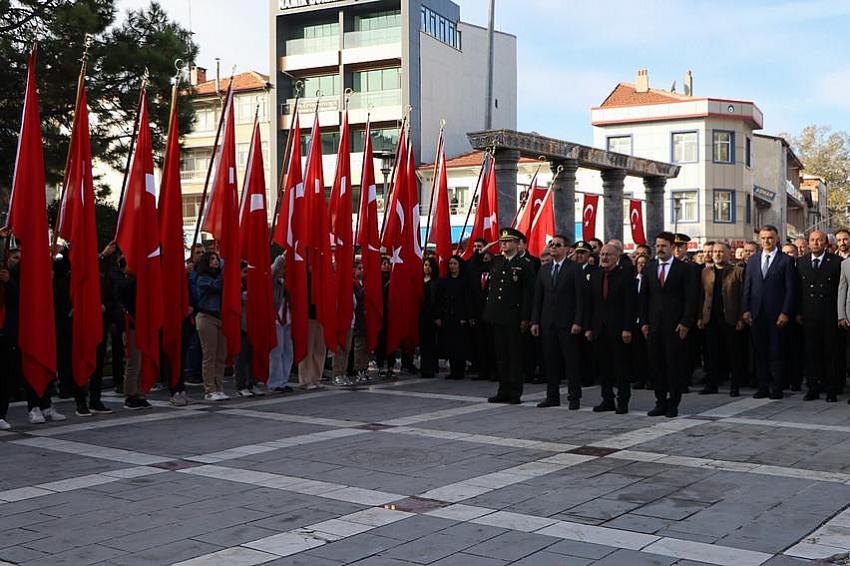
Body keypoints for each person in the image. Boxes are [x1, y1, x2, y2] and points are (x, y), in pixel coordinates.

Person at [640, 232, 698, 418]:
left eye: (663, 246)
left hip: (675, 326)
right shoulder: (650, 268)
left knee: (674, 366)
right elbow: (644, 297)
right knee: (656, 365)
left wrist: (686, 322)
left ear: (672, 247)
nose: (660, 249)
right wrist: (644, 322)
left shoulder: (684, 269)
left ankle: (673, 403)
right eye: (657, 246)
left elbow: (691, 298)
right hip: (654, 326)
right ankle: (660, 402)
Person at [531, 235, 585, 409]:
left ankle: (574, 397)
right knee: (550, 361)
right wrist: (535, 321)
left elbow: (580, 298)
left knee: (571, 362)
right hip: (548, 322)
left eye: (558, 245)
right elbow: (538, 298)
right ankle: (552, 396)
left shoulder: (574, 268)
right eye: (551, 244)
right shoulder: (544, 269)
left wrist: (578, 321)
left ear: (567, 249)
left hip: (568, 323)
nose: (553, 247)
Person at [743, 225, 796, 399]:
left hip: (777, 314)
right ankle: (763, 386)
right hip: (756, 313)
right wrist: (746, 309)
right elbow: (747, 286)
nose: (767, 241)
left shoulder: (786, 261)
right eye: (764, 238)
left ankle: (777, 387)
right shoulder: (753, 260)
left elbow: (790, 289)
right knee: (760, 352)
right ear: (760, 239)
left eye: (770, 238)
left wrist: (785, 312)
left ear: (777, 239)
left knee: (776, 351)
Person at [485, 228, 535, 404]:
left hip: (514, 316)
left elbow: (528, 294)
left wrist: (525, 317)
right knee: (501, 356)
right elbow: (475, 264)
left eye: (508, 242)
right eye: (502, 242)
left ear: (516, 244)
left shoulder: (524, 264)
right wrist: (487, 247)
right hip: (497, 315)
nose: (504, 245)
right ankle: (503, 390)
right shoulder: (497, 261)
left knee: (514, 356)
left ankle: (515, 392)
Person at [585, 244, 635, 413]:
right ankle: (607, 399)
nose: (604, 258)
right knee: (603, 367)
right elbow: (590, 304)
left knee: (621, 367)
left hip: (619, 328)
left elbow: (629, 305)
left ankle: (623, 401)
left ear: (616, 257)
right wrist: (589, 327)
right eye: (602, 254)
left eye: (608, 255)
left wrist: (627, 328)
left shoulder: (625, 275)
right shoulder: (596, 275)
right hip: (599, 328)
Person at [797, 230, 841, 401]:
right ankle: (813, 388)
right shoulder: (801, 262)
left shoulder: (836, 262)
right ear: (808, 242)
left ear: (826, 243)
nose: (815, 243)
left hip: (829, 315)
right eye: (812, 240)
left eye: (819, 240)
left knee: (830, 353)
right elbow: (798, 290)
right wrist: (798, 312)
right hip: (809, 315)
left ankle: (831, 390)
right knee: (811, 353)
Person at [697, 242, 746, 397]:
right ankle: (712, 384)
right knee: (711, 353)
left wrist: (741, 318)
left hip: (730, 318)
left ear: (728, 254)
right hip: (710, 319)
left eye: (721, 251)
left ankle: (735, 386)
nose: (717, 254)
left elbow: (743, 296)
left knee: (733, 354)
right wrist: (700, 317)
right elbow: (702, 296)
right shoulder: (705, 272)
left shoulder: (738, 272)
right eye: (715, 252)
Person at [115, 257, 152, 410]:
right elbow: (126, 290)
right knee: (134, 362)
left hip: (141, 326)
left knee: (142, 362)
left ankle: (140, 393)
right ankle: (130, 395)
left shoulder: (136, 282)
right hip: (130, 326)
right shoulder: (123, 282)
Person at [195, 251, 229, 401]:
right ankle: (210, 389)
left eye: (217, 258)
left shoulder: (218, 276)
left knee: (221, 355)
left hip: (220, 318)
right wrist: (225, 272)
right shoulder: (202, 278)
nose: (216, 261)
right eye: (212, 259)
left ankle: (219, 387)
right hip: (207, 317)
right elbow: (215, 286)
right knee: (210, 355)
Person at [436, 255, 471, 380]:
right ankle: (453, 370)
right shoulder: (445, 281)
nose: (452, 266)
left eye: (455, 264)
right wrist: (439, 316)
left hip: (460, 317)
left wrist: (465, 316)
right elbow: (440, 300)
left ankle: (460, 370)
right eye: (450, 264)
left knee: (459, 344)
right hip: (448, 316)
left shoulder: (464, 281)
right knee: (450, 344)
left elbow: (467, 300)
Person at [234, 261, 263, 397]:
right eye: (245, 272)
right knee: (241, 357)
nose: (247, 275)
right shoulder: (235, 287)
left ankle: (252, 383)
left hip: (254, 327)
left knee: (253, 357)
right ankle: (241, 386)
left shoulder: (255, 286)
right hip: (241, 327)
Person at [268, 255, 293, 393]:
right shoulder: (273, 280)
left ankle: (284, 380)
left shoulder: (289, 281)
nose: (284, 270)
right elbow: (274, 269)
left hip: (288, 320)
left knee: (288, 351)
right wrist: (283, 256)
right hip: (276, 320)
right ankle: (275, 382)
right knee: (276, 352)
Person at [632, 254, 652, 391]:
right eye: (639, 263)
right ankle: (640, 378)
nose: (641, 265)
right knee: (638, 352)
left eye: (644, 263)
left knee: (650, 352)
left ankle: (651, 379)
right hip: (635, 320)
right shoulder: (633, 280)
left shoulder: (651, 279)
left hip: (648, 320)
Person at [419, 257, 440, 379]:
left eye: (429, 265)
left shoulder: (436, 282)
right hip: (422, 315)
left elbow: (437, 301)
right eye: (425, 265)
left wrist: (437, 316)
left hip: (432, 315)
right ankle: (424, 368)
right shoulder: (420, 281)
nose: (427, 268)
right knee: (423, 343)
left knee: (431, 343)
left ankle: (431, 368)